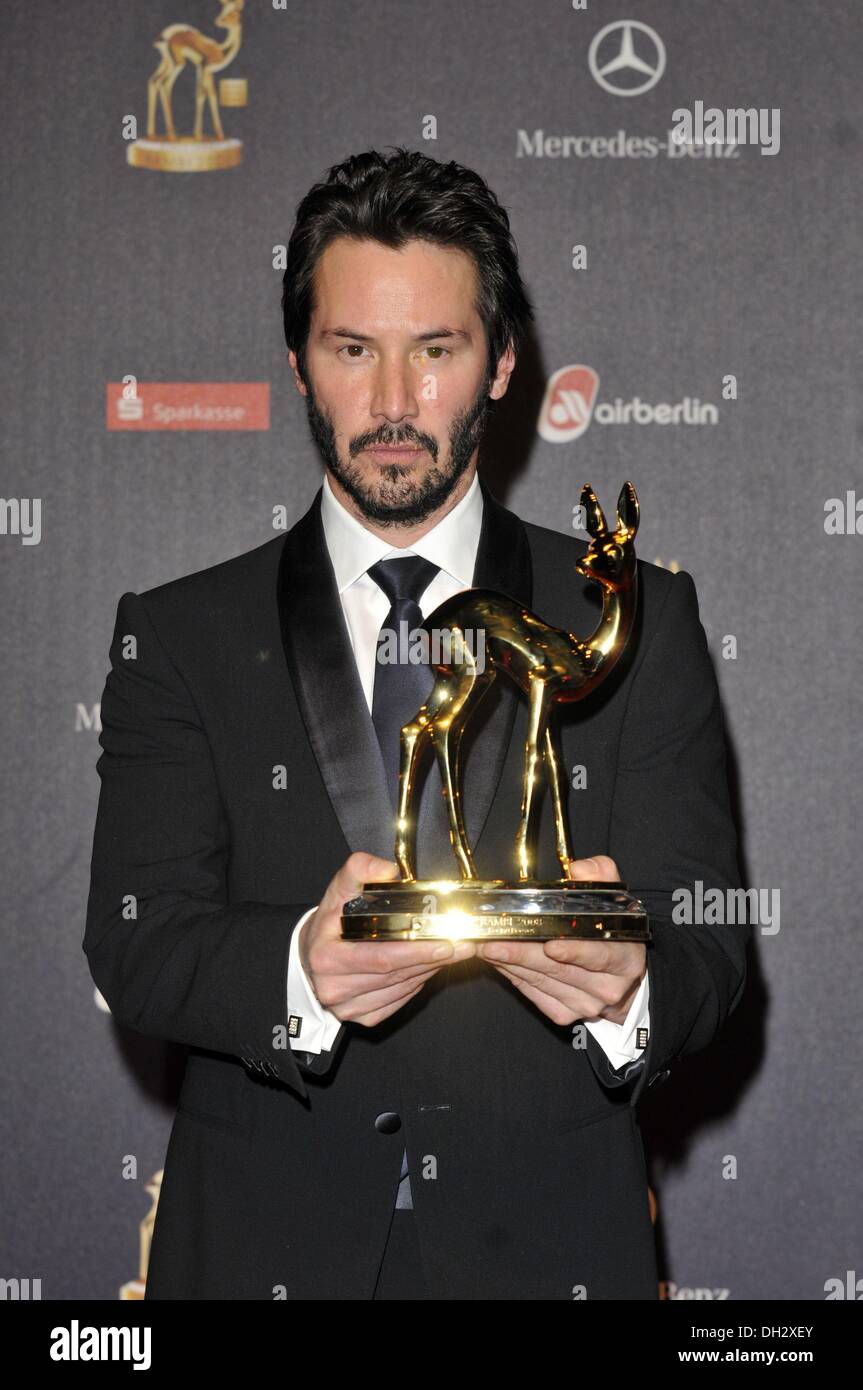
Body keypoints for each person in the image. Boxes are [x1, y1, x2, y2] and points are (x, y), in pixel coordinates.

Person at [84, 147, 749, 1300]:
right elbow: (134, 940)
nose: (392, 403)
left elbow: (709, 941)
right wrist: (300, 972)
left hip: (548, 1257)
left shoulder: (633, 612)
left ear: (498, 364)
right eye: (353, 349)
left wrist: (627, 989)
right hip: (256, 1253)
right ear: (299, 361)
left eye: (433, 349)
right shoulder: (179, 632)